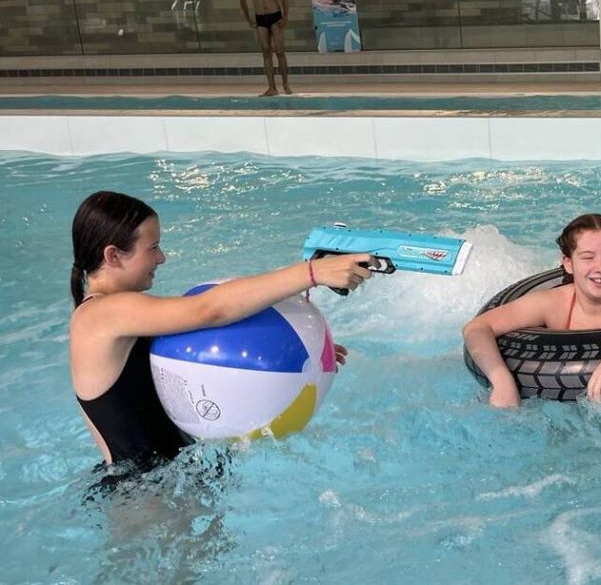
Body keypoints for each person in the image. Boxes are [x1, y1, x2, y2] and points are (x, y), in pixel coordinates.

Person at [69, 191, 377, 469]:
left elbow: (210, 345)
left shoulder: (129, 316)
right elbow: (210, 309)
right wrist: (313, 273)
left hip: (174, 479)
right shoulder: (98, 316)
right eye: (153, 247)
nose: (161, 258)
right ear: (113, 255)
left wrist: (295, 352)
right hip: (143, 499)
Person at [462, 213, 601, 408]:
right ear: (568, 263)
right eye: (587, 257)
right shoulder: (551, 304)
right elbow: (477, 327)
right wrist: (502, 380)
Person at [239, 0, 291, 97]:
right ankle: (272, 88)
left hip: (275, 15)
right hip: (260, 18)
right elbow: (242, 0)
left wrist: (285, 17)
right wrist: (249, 19)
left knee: (280, 51)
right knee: (266, 52)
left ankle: (286, 85)